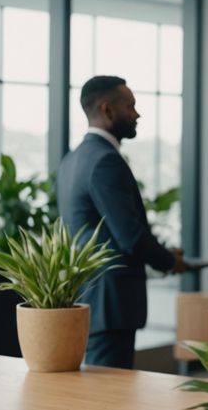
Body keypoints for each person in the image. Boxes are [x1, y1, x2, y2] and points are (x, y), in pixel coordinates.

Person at [56, 75, 186, 369]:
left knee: (97, 394)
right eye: (131, 106)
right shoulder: (105, 161)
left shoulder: (72, 160)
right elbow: (130, 237)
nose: (137, 114)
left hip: (87, 296)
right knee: (108, 399)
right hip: (109, 304)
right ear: (107, 110)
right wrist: (169, 261)